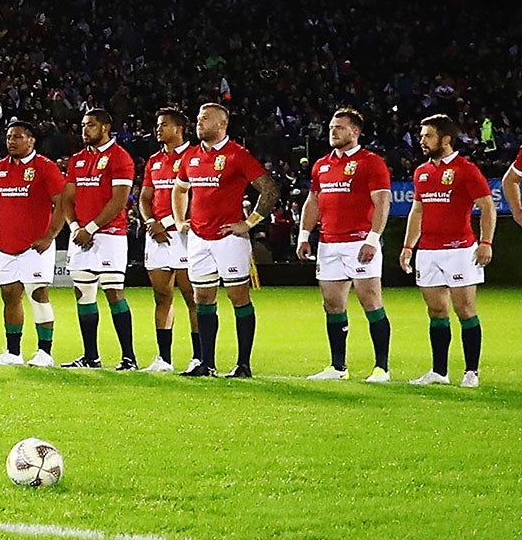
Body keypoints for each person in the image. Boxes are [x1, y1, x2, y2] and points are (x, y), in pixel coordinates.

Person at [172, 102, 279, 378]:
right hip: (198, 238)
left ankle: (243, 364)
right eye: (198, 118)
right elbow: (180, 189)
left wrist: (249, 222)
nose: (199, 123)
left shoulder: (237, 155)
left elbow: (268, 189)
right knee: (203, 298)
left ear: (222, 124)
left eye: (205, 119)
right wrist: (180, 219)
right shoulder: (192, 156)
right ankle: (207, 364)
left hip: (229, 238)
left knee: (237, 296)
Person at [296, 107, 393, 382]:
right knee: (332, 304)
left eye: (339, 127)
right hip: (328, 243)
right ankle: (338, 367)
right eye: (331, 127)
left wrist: (373, 238)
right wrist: (305, 235)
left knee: (371, 302)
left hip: (359, 242)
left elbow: (383, 201)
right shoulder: (321, 165)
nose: (333, 132)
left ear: (355, 131)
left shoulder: (371, 162)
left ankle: (381, 368)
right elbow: (313, 201)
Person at [401, 114, 494, 387]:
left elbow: (487, 206)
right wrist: (408, 246)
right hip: (428, 251)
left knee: (464, 309)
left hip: (460, 250)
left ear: (446, 139)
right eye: (421, 136)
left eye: (427, 136)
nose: (422, 140)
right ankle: (439, 372)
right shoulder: (422, 172)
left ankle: (471, 372)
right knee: (436, 311)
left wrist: (486, 242)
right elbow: (417, 211)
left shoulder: (466, 169)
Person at [0, 121, 67, 367]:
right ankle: (13, 352)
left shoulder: (44, 167)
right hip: (6, 245)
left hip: (35, 245)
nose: (12, 141)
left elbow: (63, 202)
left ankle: (44, 352)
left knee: (38, 293)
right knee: (9, 296)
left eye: (17, 137)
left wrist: (50, 236)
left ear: (31, 140)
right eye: (8, 137)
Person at [60, 108, 137, 370]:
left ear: (106, 127)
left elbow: (119, 201)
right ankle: (91, 357)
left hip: (110, 235)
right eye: (83, 125)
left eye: (90, 125)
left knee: (114, 293)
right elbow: (66, 199)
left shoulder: (120, 157)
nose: (85, 130)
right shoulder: (78, 159)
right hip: (80, 236)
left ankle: (129, 357)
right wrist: (74, 228)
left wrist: (90, 228)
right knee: (83, 294)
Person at [139, 106, 199, 372]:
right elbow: (144, 197)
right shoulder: (154, 160)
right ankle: (164, 358)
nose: (158, 129)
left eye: (164, 124)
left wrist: (168, 223)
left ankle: (199, 356)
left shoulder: (195, 157)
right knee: (162, 297)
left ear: (178, 128)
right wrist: (151, 221)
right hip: (157, 236)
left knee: (192, 296)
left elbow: (197, 198)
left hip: (184, 235)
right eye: (158, 124)